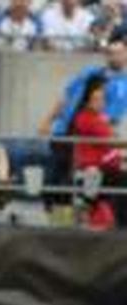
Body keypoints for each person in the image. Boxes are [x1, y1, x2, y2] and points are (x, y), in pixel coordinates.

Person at [39, 31, 127, 201]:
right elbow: (66, 96)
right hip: (63, 131)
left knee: (74, 183)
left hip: (87, 139)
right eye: (110, 52)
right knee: (55, 180)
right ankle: (54, 215)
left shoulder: (123, 85)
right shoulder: (89, 71)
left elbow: (109, 118)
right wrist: (47, 121)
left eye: (119, 52)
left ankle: (68, 218)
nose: (113, 56)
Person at [71, 75, 124, 229]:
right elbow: (114, 142)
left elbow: (113, 147)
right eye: (96, 99)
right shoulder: (86, 119)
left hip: (107, 168)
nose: (100, 103)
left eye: (102, 99)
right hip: (94, 173)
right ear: (87, 100)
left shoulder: (99, 118)